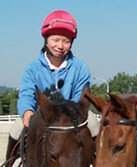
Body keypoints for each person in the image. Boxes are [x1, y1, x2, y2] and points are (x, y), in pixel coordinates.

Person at [6, 10, 100, 165]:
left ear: (72, 42)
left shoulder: (80, 68)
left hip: (72, 117)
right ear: (46, 40)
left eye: (66, 41)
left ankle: (97, 160)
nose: (60, 46)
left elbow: (80, 96)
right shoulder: (33, 68)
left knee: (94, 123)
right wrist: (27, 111)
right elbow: (26, 94)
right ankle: (13, 160)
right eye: (55, 40)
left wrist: (71, 115)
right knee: (16, 128)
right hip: (42, 115)